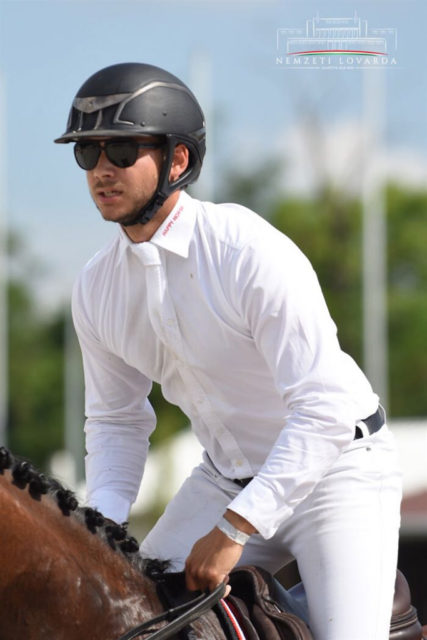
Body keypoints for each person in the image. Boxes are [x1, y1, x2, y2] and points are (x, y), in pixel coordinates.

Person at [55, 62, 402, 640]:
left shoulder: (247, 249)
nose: (101, 170)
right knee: (120, 618)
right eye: (87, 153)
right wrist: (102, 533)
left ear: (179, 160)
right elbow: (116, 422)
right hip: (222, 480)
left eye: (119, 148)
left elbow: (324, 409)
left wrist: (236, 529)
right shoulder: (95, 287)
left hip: (338, 473)